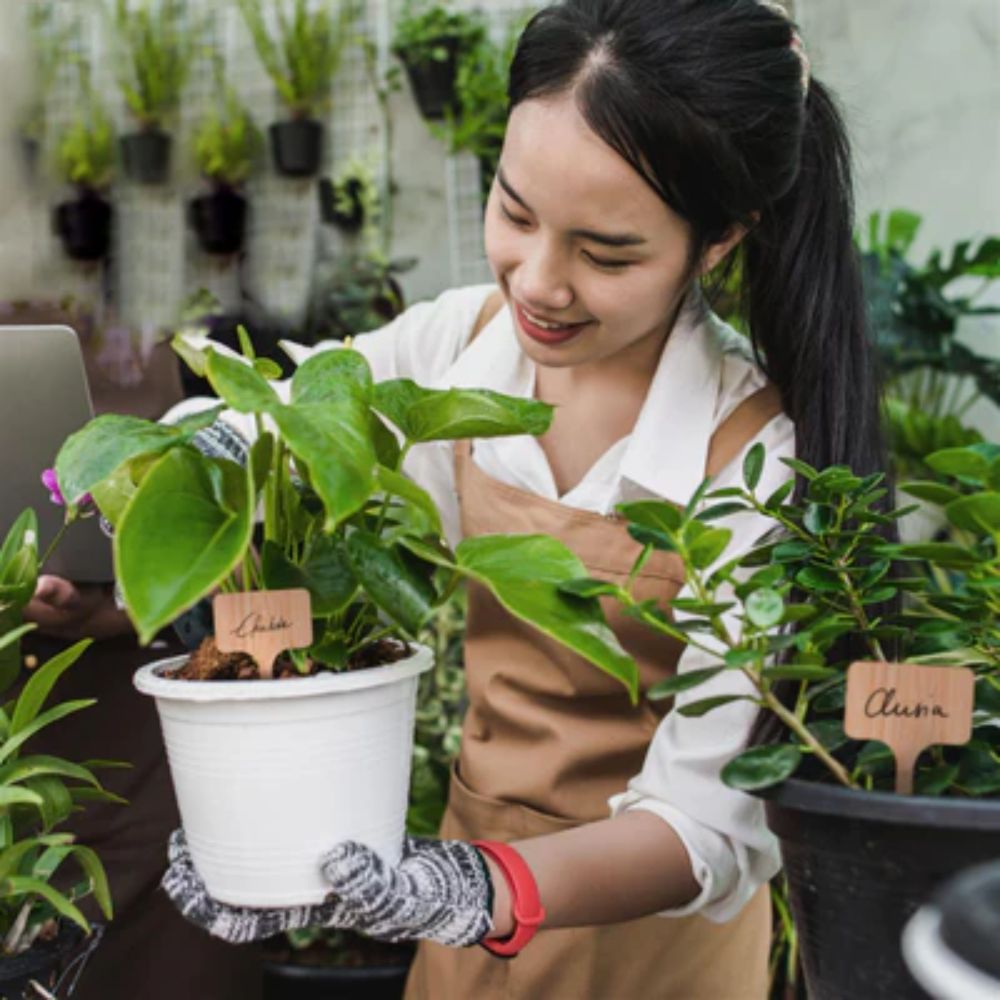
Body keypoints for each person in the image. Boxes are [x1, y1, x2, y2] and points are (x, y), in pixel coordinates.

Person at [37, 1, 887, 997]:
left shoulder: (758, 460)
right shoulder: (456, 351)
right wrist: (148, 586)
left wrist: (471, 886)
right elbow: (291, 423)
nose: (538, 281)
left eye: (605, 252)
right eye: (515, 211)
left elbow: (708, 822)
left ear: (718, 241)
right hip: (461, 921)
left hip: (648, 944)